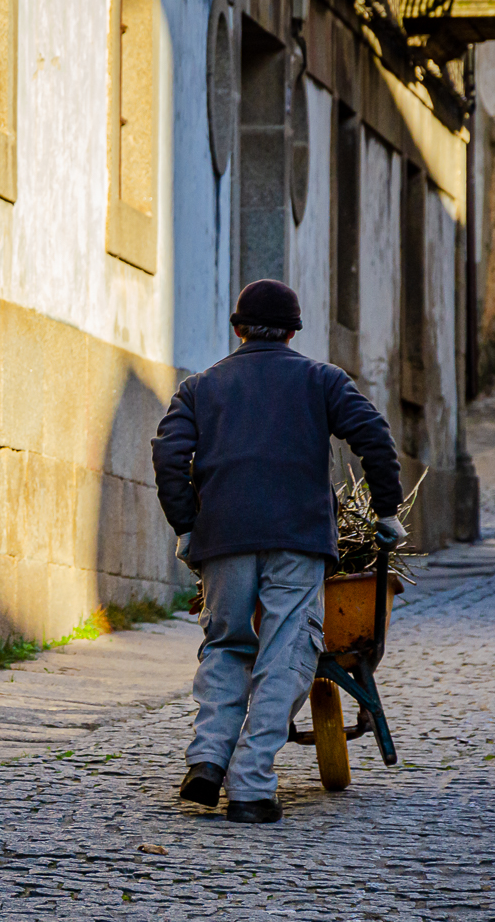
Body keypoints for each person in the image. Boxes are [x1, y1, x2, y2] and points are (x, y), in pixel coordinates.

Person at [151, 279, 405, 823]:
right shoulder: (321, 380)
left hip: (225, 540)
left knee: (226, 645)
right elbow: (373, 436)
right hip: (296, 538)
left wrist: (188, 526)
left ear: (237, 329)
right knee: (288, 650)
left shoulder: (200, 388)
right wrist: (386, 512)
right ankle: (249, 781)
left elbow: (168, 455)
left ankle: (206, 761)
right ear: (292, 332)